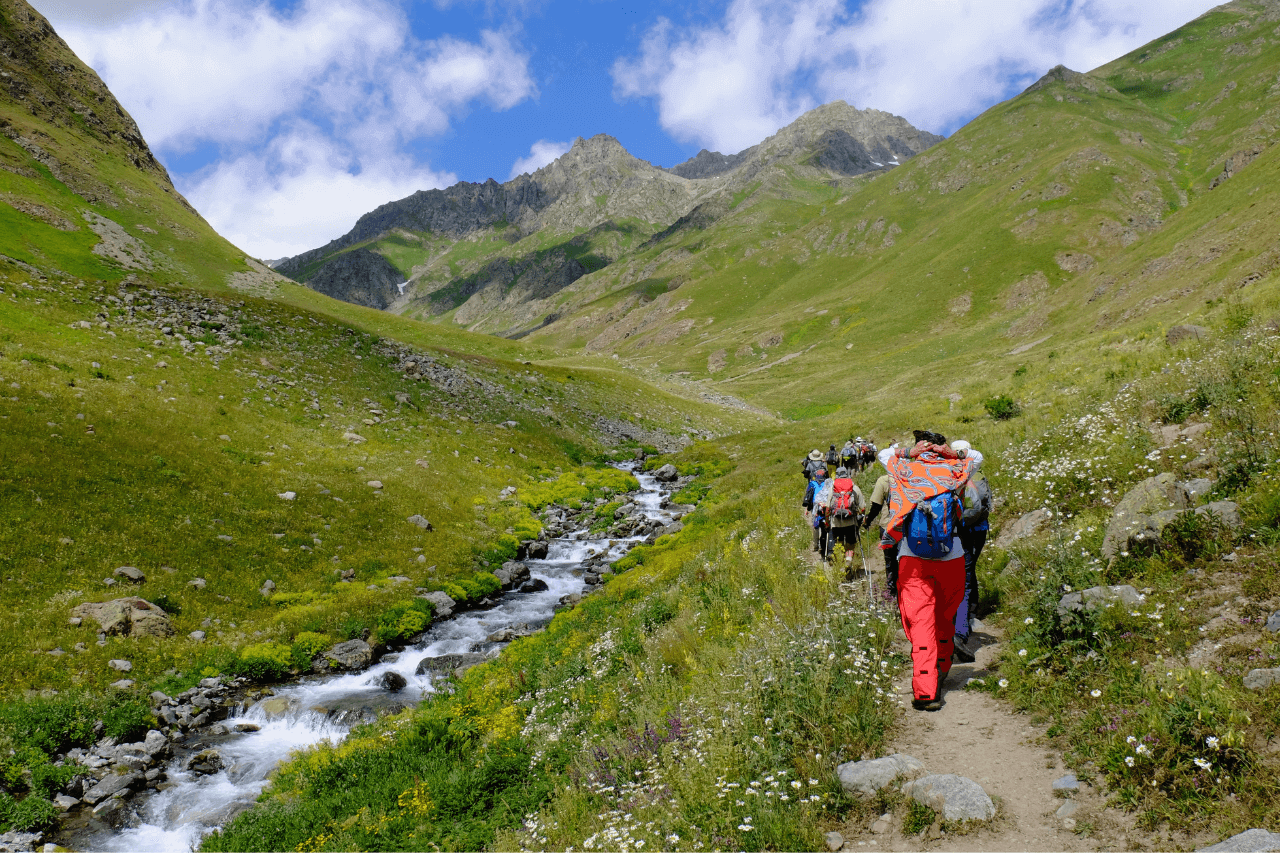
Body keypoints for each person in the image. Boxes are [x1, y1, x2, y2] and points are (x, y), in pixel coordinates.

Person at [877, 430, 981, 711]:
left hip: (914, 558)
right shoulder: (956, 468)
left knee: (922, 623)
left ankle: (926, 690)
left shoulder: (904, 468)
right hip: (953, 556)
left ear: (918, 446)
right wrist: (951, 454)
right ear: (942, 446)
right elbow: (976, 456)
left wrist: (907, 453)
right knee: (946, 617)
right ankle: (942, 667)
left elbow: (883, 455)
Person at [950, 440, 991, 663]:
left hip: (960, 530)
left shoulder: (952, 472)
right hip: (979, 528)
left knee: (962, 578)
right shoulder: (977, 470)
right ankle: (971, 612)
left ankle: (960, 629)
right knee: (969, 571)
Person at [825, 466, 865, 575]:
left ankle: (840, 568)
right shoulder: (854, 487)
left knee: (839, 544)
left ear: (837, 475)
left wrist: (827, 522)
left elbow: (828, 508)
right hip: (851, 522)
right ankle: (848, 561)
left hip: (836, 523)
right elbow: (863, 507)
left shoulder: (833, 488)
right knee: (850, 544)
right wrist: (860, 517)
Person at [802, 465, 828, 552]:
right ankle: (824, 543)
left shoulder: (812, 484)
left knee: (815, 526)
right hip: (825, 507)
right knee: (825, 526)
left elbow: (808, 497)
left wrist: (807, 509)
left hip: (815, 508)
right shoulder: (827, 484)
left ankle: (816, 545)